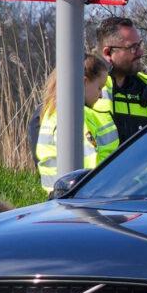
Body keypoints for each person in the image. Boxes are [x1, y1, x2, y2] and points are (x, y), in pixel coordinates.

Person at [35, 54, 119, 191]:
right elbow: (89, 161)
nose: (100, 95)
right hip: (81, 194)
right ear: (84, 82)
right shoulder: (75, 116)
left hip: (57, 194)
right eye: (99, 87)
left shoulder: (52, 112)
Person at [93, 15, 147, 142]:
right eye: (132, 48)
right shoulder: (87, 88)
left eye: (139, 45)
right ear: (108, 53)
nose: (140, 52)